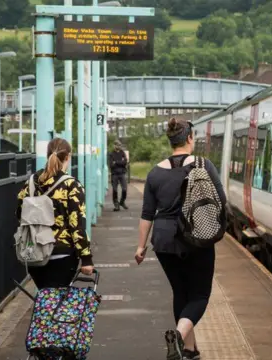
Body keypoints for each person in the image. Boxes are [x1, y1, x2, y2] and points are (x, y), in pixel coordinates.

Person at [135, 118, 226, 360]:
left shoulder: (154, 172)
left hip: (164, 240)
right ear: (189, 138)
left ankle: (189, 350)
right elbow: (221, 201)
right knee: (199, 296)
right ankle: (177, 336)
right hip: (196, 237)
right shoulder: (203, 165)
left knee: (180, 293)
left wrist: (141, 246)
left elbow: (147, 214)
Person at [17, 138, 94, 288]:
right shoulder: (71, 185)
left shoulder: (31, 182)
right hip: (62, 253)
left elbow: (19, 213)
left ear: (47, 155)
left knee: (45, 300)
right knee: (57, 304)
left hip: (35, 252)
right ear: (68, 157)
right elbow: (77, 225)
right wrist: (86, 258)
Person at [109, 139, 129, 212]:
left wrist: (116, 162)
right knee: (114, 190)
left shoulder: (122, 153)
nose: (119, 146)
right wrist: (121, 162)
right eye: (117, 145)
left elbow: (125, 162)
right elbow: (111, 165)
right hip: (114, 174)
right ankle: (116, 204)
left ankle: (122, 201)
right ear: (114, 146)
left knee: (124, 189)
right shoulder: (111, 154)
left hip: (122, 173)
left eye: (119, 145)